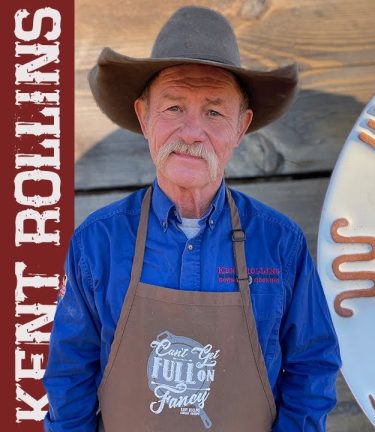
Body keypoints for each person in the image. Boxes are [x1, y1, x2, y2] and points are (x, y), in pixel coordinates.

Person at [43, 6, 341, 431]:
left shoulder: (280, 245)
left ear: (241, 127)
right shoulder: (98, 242)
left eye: (215, 112)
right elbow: (69, 376)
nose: (191, 132)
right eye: (174, 108)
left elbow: (313, 366)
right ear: (145, 118)